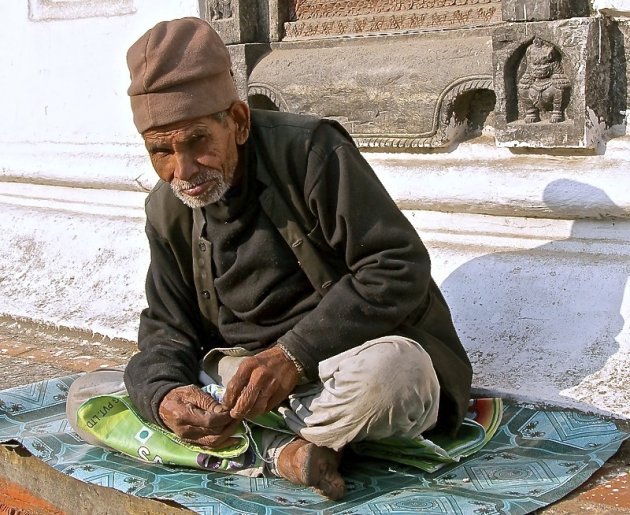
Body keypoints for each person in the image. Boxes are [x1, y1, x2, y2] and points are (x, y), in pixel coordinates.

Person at [67, 17, 472, 500]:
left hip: (337, 368)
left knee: (395, 378)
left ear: (237, 122)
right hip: (240, 383)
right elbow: (166, 327)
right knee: (88, 397)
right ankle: (290, 453)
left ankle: (258, 447)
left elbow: (397, 266)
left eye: (197, 141)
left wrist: (292, 358)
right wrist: (166, 396)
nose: (184, 169)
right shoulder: (167, 206)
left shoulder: (311, 153)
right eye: (162, 151)